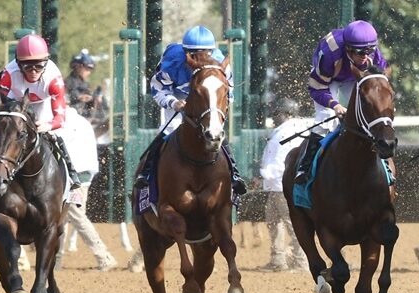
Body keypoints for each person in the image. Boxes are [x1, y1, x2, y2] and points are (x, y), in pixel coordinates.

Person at [139, 25, 245, 197]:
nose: (201, 58)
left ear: (212, 51)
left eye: (205, 53)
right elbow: (157, 89)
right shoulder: (172, 61)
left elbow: (228, 95)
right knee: (168, 130)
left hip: (206, 105)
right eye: (194, 54)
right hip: (178, 99)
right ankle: (146, 172)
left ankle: (235, 174)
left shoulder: (221, 65)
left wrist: (213, 109)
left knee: (216, 132)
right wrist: (173, 103)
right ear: (185, 52)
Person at [295, 19, 388, 181]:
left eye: (369, 51)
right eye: (360, 53)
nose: (365, 57)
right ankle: (304, 167)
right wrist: (335, 105)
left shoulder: (374, 56)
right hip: (328, 80)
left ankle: (384, 164)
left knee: (369, 114)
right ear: (348, 49)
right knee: (326, 118)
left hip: (354, 77)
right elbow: (316, 88)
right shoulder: (330, 55)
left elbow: (379, 84)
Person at [0, 34, 80, 188]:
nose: (33, 71)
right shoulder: (8, 75)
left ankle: (72, 176)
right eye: (27, 66)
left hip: (43, 104)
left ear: (46, 63)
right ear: (18, 64)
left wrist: (49, 125)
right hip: (15, 103)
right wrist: (7, 117)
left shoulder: (54, 79)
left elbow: (60, 118)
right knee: (2, 134)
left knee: (57, 135)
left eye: (39, 66)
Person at [55, 108, 116, 271]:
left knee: (76, 216)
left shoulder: (64, 123)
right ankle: (56, 261)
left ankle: (104, 257)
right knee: (62, 218)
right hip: (83, 174)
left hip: (74, 176)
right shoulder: (83, 122)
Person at [259, 99, 314, 271]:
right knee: (275, 223)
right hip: (276, 185)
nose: (275, 117)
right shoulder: (288, 130)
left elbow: (280, 161)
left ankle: (301, 261)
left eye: (278, 114)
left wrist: (263, 176)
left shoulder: (286, 133)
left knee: (292, 224)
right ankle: (278, 260)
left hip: (281, 185)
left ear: (289, 114)